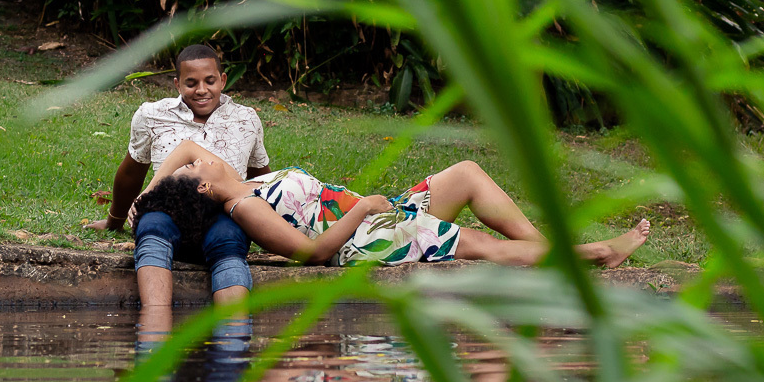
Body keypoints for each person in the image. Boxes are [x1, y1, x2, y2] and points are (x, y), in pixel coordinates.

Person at [130, 139, 650, 269]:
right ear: (202, 190)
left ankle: (552, 255)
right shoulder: (245, 210)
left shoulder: (243, 185)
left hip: (381, 211)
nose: (197, 159)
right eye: (193, 172)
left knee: (465, 174)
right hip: (366, 236)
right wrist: (360, 212)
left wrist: (150, 192)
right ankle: (593, 256)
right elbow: (311, 255)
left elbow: (186, 150)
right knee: (478, 244)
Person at [87, 45, 272, 315]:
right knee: (151, 228)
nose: (201, 90)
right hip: (167, 210)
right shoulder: (152, 115)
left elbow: (263, 177)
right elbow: (131, 171)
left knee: (229, 241)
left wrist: (279, 224)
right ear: (177, 83)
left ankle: (233, 336)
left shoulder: (246, 119)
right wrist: (114, 220)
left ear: (222, 80)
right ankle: (154, 328)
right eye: (191, 83)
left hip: (223, 214)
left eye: (209, 81)